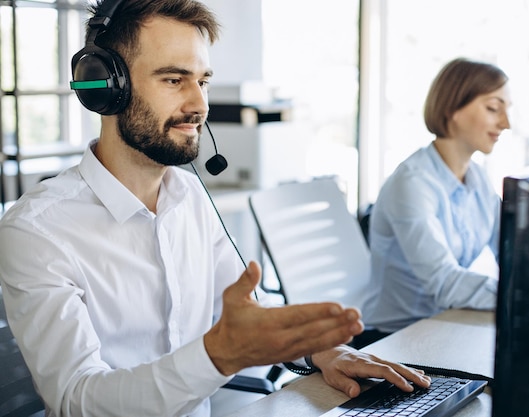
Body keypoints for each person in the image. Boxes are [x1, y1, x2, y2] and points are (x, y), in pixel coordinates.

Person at [0, 1, 431, 416]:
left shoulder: (189, 196)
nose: (200, 105)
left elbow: (247, 313)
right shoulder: (37, 231)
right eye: (174, 80)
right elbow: (79, 400)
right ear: (106, 88)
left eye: (202, 80)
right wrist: (218, 355)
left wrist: (326, 352)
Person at [358, 58, 511, 346]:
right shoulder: (413, 183)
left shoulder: (477, 179)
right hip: (392, 340)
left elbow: (510, 250)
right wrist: (519, 297)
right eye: (493, 108)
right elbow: (444, 282)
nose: (506, 123)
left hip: (445, 327)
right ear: (453, 108)